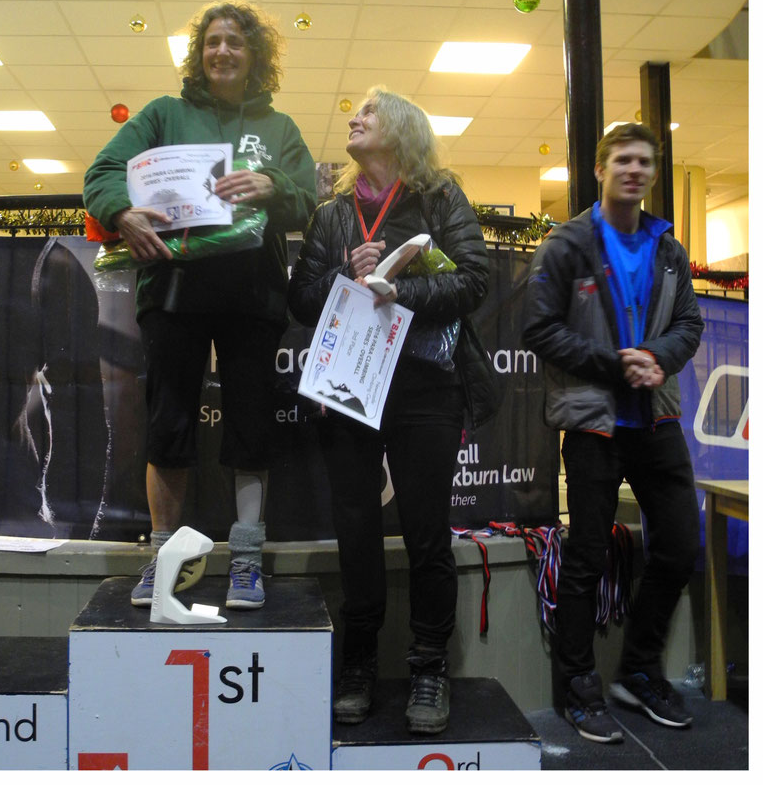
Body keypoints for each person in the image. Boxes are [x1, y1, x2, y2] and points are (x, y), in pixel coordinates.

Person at [84, 0, 317, 610]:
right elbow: (103, 170)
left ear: (254, 55)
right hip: (173, 294)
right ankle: (165, 560)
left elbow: (306, 202)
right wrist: (121, 211)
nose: (222, 52)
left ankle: (245, 560)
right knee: (169, 429)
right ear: (199, 53)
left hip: (254, 298)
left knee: (249, 430)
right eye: (212, 41)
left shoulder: (280, 128)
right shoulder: (163, 114)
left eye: (235, 42)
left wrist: (276, 186)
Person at [288, 87, 497, 734]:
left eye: (369, 112)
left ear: (401, 128)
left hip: (425, 388)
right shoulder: (330, 216)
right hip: (350, 384)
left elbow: (474, 279)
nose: (353, 117)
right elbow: (300, 297)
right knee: (356, 532)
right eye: (353, 111)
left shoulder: (439, 196)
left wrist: (397, 289)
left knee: (428, 533)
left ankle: (428, 667)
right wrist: (345, 275)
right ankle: (357, 665)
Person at [522, 123, 704, 743]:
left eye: (645, 161)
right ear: (599, 169)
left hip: (656, 416)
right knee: (587, 558)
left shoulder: (667, 247)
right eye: (622, 159)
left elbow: (689, 322)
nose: (634, 169)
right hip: (594, 421)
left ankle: (638, 671)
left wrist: (655, 355)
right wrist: (614, 360)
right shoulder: (566, 244)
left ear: (654, 172)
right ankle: (577, 687)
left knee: (680, 545)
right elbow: (539, 329)